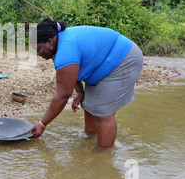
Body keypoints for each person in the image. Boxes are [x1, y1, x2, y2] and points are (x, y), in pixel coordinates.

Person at [30, 18, 143, 147]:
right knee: (88, 105)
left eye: (39, 49)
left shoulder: (65, 51)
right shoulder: (58, 45)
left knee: (103, 112)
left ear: (50, 41)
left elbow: (62, 96)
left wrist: (43, 124)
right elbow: (71, 72)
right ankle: (89, 140)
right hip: (101, 63)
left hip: (123, 59)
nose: (38, 54)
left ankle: (103, 156)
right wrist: (79, 92)